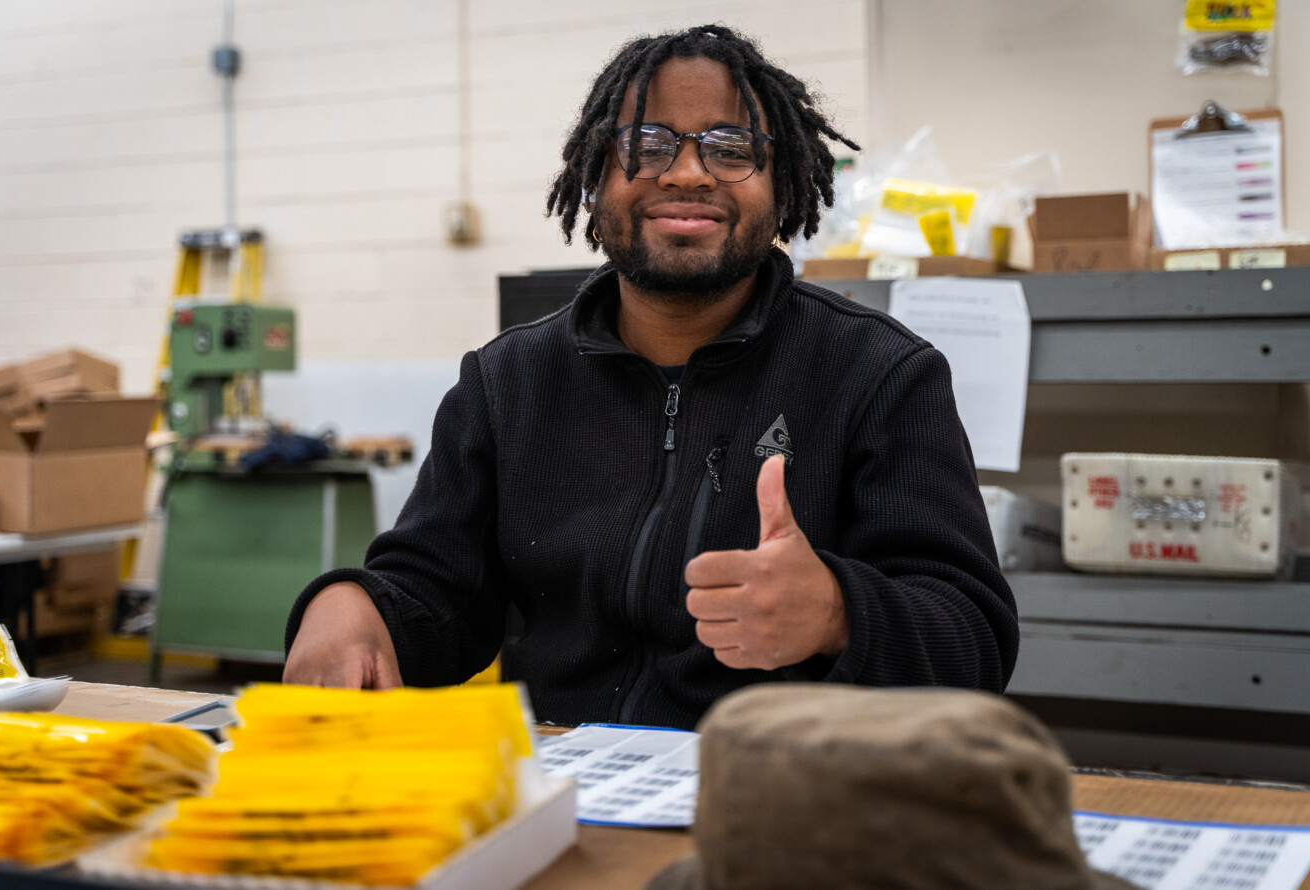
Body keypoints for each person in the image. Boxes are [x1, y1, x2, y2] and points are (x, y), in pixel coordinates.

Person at [283, 24, 1018, 730]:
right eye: (647, 143)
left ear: (782, 182)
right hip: (565, 794)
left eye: (731, 147)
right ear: (593, 179)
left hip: (791, 791)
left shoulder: (882, 375)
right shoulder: (506, 382)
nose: (688, 171)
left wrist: (837, 613)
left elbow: (973, 639)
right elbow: (436, 595)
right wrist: (354, 604)